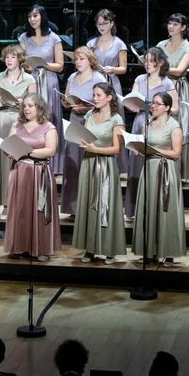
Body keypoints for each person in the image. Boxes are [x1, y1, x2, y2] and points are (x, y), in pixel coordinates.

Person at [71, 82, 126, 263]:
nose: (95, 99)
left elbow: (117, 149)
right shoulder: (90, 115)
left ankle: (110, 248)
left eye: (98, 95)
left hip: (106, 166)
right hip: (89, 163)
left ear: (109, 97)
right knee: (88, 204)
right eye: (94, 95)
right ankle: (90, 248)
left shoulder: (116, 120)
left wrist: (96, 149)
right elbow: (85, 138)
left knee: (106, 205)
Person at [4, 93, 59, 261]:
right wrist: (10, 151)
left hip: (38, 173)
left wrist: (28, 152)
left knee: (39, 210)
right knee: (20, 210)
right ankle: (19, 246)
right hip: (20, 173)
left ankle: (41, 248)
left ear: (39, 107)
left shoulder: (48, 127)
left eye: (31, 106)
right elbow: (7, 145)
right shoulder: (16, 125)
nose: (26, 109)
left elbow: (50, 150)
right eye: (25, 106)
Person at [131, 92, 185, 264]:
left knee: (164, 209)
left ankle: (167, 251)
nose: (153, 106)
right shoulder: (147, 123)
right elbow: (144, 146)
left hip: (164, 171)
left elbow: (176, 154)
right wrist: (139, 149)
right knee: (148, 208)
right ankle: (149, 250)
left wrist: (153, 150)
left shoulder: (174, 126)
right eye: (152, 103)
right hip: (148, 169)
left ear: (167, 107)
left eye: (157, 103)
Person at [124, 47, 178, 219]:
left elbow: (175, 108)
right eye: (145, 60)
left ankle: (153, 207)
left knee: (152, 161)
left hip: (159, 124)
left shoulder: (168, 83)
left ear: (160, 62)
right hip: (140, 121)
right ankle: (134, 209)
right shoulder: (140, 79)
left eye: (150, 60)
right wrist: (132, 104)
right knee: (136, 163)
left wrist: (151, 106)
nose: (146, 64)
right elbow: (131, 104)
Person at [0, 45, 37, 213]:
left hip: (20, 120)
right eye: (7, 57)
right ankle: (6, 204)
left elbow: (35, 104)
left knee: (17, 160)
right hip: (2, 119)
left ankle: (20, 201)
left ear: (20, 59)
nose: (9, 60)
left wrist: (22, 103)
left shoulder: (29, 79)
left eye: (13, 57)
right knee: (1, 161)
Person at [60, 46, 107, 216]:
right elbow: (66, 98)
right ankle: (73, 208)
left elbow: (105, 103)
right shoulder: (72, 77)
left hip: (91, 121)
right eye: (76, 59)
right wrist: (66, 103)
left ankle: (91, 206)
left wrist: (85, 105)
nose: (78, 62)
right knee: (73, 163)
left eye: (82, 59)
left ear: (90, 61)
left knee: (88, 163)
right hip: (74, 120)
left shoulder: (98, 78)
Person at [19, 4, 65, 173]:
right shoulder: (23, 38)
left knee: (49, 118)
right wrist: (27, 66)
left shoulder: (54, 38)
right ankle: (32, 154)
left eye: (35, 16)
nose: (32, 19)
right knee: (31, 116)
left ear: (42, 17)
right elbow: (22, 61)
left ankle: (54, 163)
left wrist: (43, 64)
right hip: (32, 80)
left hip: (49, 80)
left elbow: (60, 66)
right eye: (30, 16)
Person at [157, 13, 189, 180]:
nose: (171, 27)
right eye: (169, 23)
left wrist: (157, 67)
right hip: (161, 87)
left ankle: (181, 174)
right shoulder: (161, 45)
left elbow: (180, 70)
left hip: (178, 88)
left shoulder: (188, 47)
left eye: (175, 24)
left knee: (179, 126)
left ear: (183, 27)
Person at [86, 8, 128, 98]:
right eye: (99, 24)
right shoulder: (91, 44)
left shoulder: (119, 44)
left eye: (105, 23)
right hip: (94, 80)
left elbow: (123, 69)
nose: (102, 27)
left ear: (111, 24)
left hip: (111, 82)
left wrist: (112, 69)